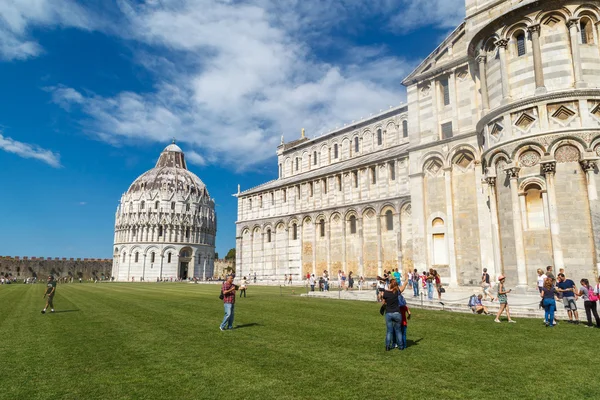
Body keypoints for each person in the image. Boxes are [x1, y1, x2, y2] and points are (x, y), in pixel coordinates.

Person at [379, 278, 409, 351]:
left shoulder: (386, 293)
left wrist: (382, 296)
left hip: (389, 313)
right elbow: (404, 286)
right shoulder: (397, 292)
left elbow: (383, 302)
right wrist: (406, 279)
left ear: (390, 285)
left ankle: (387, 346)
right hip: (397, 313)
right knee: (398, 330)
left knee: (389, 331)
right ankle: (401, 346)